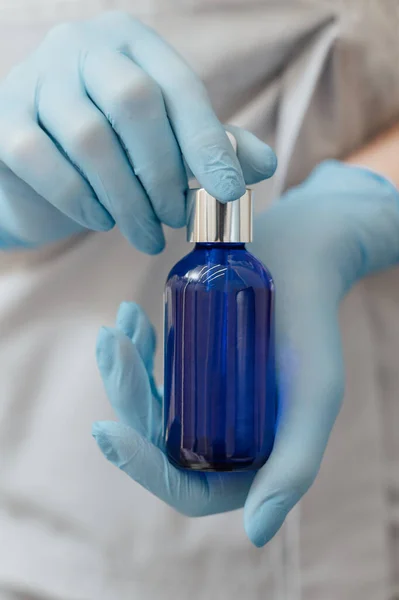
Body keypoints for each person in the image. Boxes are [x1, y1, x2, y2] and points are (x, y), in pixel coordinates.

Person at [0, 2, 398, 599]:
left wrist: (372, 191)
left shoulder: (239, 275)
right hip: (71, 542)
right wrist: (10, 200)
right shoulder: (193, 277)